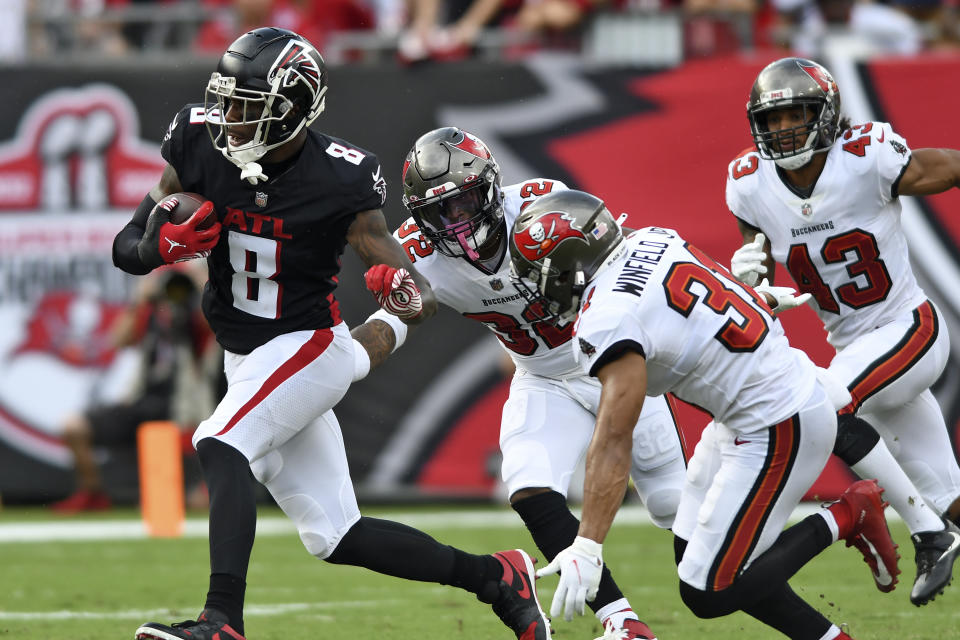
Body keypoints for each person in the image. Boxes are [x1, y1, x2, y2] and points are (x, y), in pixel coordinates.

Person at [112, 27, 550, 640]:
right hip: (247, 358)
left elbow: (409, 285)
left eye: (248, 106)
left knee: (221, 443)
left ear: (290, 110)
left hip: (306, 345)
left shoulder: (342, 177)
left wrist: (404, 292)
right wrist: (157, 246)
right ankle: (498, 578)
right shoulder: (198, 141)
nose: (230, 120)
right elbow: (125, 246)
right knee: (336, 535)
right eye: (229, 101)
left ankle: (220, 622)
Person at [507, 188, 901, 640]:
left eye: (541, 274)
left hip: (776, 421)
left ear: (569, 268)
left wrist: (589, 545)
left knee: (709, 590)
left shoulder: (607, 317)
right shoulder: (651, 238)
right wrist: (763, 303)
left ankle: (850, 513)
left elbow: (616, 437)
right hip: (759, 402)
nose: (539, 287)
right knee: (696, 553)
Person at [351, 126, 688, 640]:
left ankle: (764, 566)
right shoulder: (417, 250)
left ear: (489, 188)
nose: (456, 222)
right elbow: (401, 321)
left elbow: (626, 271)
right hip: (542, 376)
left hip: (609, 361)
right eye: (440, 212)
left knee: (672, 506)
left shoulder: (542, 205)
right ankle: (621, 622)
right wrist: (347, 354)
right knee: (530, 486)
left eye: (463, 203)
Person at [726, 56, 960, 606]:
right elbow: (760, 263)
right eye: (774, 119)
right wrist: (755, 281)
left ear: (827, 113)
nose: (784, 129)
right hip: (854, 349)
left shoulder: (865, 155)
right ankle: (940, 523)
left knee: (823, 407)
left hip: (909, 328)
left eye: (798, 114)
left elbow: (944, 166)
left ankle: (927, 533)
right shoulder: (748, 183)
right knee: (950, 496)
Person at [50, 268, 214, 514]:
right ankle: (92, 493)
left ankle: (184, 491)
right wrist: (139, 301)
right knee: (73, 427)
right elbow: (117, 341)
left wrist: (199, 286)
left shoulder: (194, 317)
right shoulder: (149, 314)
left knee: (168, 506)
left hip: (183, 411)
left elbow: (212, 323)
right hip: (142, 401)